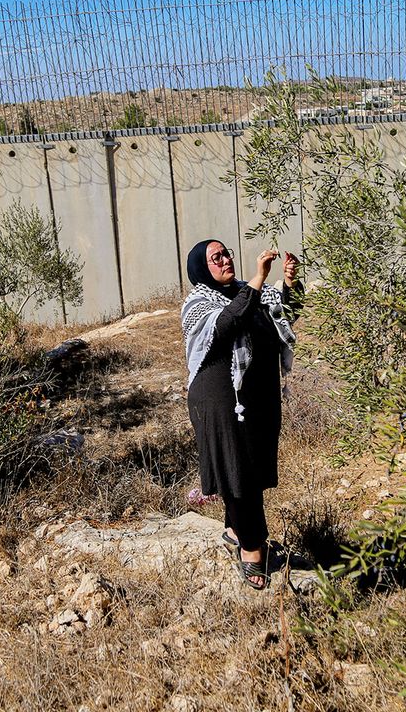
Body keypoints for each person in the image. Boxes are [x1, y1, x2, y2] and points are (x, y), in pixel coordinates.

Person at [181, 239, 302, 590]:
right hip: (219, 400)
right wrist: (258, 280)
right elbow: (227, 324)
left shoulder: (251, 293)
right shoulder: (198, 303)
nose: (224, 260)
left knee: (251, 469)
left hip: (257, 398)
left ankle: (235, 530)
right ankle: (252, 550)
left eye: (226, 253)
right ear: (202, 268)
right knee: (238, 473)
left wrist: (289, 285)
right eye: (215, 257)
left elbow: (282, 319)